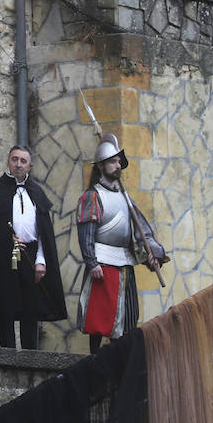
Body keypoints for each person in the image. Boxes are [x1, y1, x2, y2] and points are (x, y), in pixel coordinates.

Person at [0, 145, 68, 350]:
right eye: (15, 159)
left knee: (30, 309)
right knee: (5, 308)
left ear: (29, 165)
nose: (18, 164)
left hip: (30, 256)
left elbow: (43, 234)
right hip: (3, 257)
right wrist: (6, 240)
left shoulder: (36, 193)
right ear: (8, 161)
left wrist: (41, 261)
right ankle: (7, 356)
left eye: (23, 161)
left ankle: (31, 360)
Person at [76, 133, 169, 353]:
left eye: (119, 161)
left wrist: (151, 254)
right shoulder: (92, 196)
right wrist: (92, 262)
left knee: (126, 317)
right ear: (101, 166)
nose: (118, 165)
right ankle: (95, 359)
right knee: (100, 319)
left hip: (124, 263)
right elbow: (86, 233)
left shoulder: (124, 197)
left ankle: (120, 360)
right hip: (103, 263)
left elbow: (139, 232)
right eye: (113, 161)